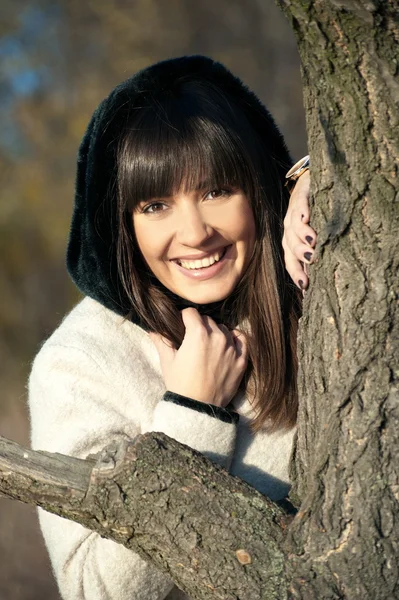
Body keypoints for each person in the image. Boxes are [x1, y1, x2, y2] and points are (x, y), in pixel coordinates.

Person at [28, 55, 316, 600]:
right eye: (156, 204)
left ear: (256, 187)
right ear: (121, 222)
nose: (195, 233)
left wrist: (316, 178)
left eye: (215, 191)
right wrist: (191, 416)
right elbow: (93, 590)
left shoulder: (310, 283)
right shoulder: (80, 362)